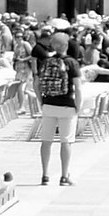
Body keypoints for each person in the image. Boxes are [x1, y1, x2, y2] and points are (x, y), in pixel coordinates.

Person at [33, 32, 82, 185]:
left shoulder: (46, 61)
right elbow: (78, 88)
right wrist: (78, 107)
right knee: (66, 142)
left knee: (46, 141)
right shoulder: (71, 63)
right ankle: (64, 175)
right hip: (67, 105)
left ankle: (45, 175)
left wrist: (41, 101)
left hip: (48, 104)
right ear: (66, 45)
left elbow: (37, 84)